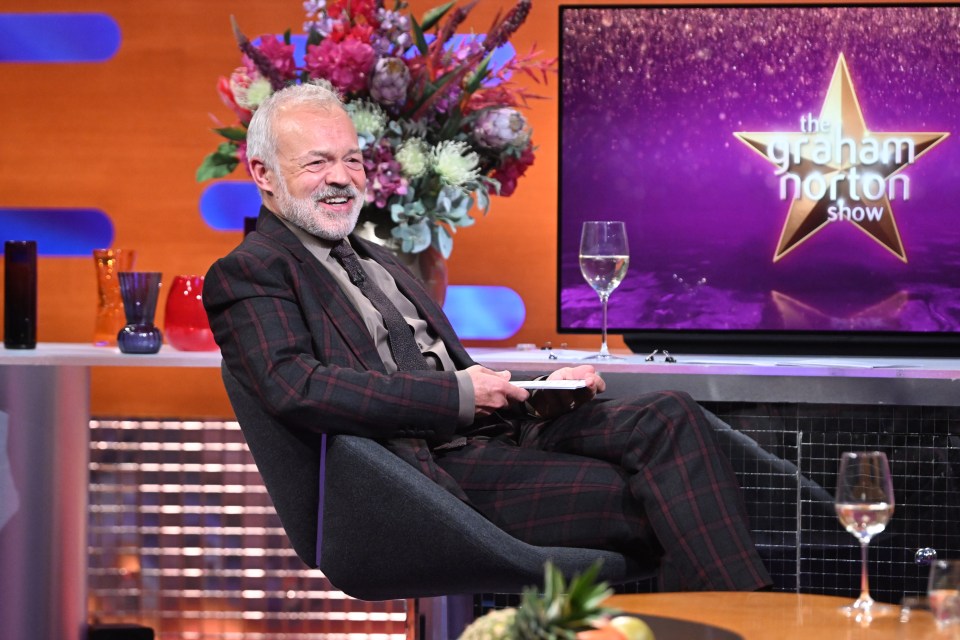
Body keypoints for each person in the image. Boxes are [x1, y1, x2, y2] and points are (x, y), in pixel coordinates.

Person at [203, 82, 771, 592]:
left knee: (668, 416)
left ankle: (738, 623)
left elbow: (444, 370)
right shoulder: (255, 270)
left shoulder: (379, 257)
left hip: (493, 433)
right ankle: (758, 625)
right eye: (317, 162)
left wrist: (538, 390)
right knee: (676, 499)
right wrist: (456, 397)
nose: (341, 177)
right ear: (262, 174)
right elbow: (296, 387)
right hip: (421, 479)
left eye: (352, 159)